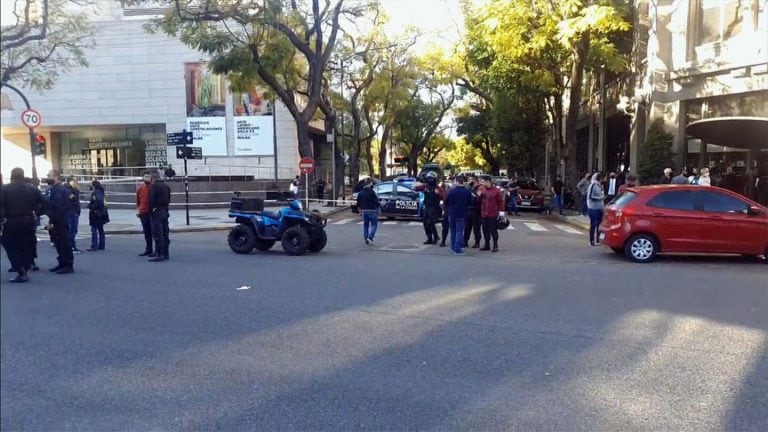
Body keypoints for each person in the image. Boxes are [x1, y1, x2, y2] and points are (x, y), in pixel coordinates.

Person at [1, 168, 46, 283]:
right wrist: (37, 213)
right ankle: (26, 266)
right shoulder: (32, 189)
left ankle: (19, 267)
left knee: (9, 244)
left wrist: (2, 219)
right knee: (27, 244)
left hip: (12, 219)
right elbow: (45, 203)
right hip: (28, 219)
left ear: (12, 176)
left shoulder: (5, 189)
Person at [45, 170, 75, 274]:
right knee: (59, 243)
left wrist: (52, 221)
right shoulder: (56, 189)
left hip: (60, 220)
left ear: (56, 177)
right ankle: (62, 262)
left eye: (49, 176)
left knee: (63, 242)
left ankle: (67, 264)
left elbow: (57, 207)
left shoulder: (58, 190)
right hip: (59, 218)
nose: (47, 177)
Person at [445, 175, 473, 255]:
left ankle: (453, 247)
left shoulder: (451, 191)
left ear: (457, 182)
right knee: (459, 231)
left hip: (452, 213)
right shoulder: (467, 192)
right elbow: (470, 202)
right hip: (462, 213)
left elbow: (446, 201)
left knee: (453, 230)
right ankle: (457, 248)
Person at [148, 170, 171, 262]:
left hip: (157, 211)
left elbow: (151, 200)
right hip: (165, 210)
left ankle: (159, 254)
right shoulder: (166, 186)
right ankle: (166, 253)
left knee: (157, 233)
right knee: (165, 232)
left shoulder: (153, 187)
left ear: (152, 178)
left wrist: (151, 210)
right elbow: (169, 199)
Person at [478, 175, 504, 252]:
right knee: (485, 230)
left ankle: (495, 245)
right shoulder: (481, 189)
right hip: (484, 213)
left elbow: (500, 202)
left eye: (482, 181)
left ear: (487, 181)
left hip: (493, 214)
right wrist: (479, 196)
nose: (481, 183)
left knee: (493, 230)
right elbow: (478, 201)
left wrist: (501, 213)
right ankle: (487, 244)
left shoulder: (496, 190)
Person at [356, 179, 379, 245]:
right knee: (374, 225)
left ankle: (366, 238)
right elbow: (376, 201)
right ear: (369, 184)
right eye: (371, 184)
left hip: (364, 211)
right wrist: (378, 208)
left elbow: (358, 203)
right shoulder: (372, 192)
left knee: (366, 225)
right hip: (372, 210)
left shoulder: (361, 193)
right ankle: (370, 237)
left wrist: (359, 210)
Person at [421, 173, 442, 245]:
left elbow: (442, 195)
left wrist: (438, 193)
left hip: (433, 208)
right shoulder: (426, 186)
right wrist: (415, 187)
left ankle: (435, 237)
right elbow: (418, 188)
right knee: (425, 223)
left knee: (430, 223)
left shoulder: (437, 188)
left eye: (431, 178)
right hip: (426, 207)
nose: (429, 180)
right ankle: (430, 238)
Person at [136, 171, 154, 256]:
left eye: (148, 177)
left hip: (151, 212)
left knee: (154, 232)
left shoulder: (153, 187)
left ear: (151, 178)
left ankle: (156, 249)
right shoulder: (140, 188)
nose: (147, 178)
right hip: (143, 212)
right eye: (145, 176)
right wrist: (138, 210)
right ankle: (148, 249)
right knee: (146, 232)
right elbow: (138, 201)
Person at [87, 181, 109, 251]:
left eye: (91, 185)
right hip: (101, 213)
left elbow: (98, 202)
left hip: (96, 213)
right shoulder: (101, 192)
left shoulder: (96, 193)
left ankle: (94, 245)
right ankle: (101, 245)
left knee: (94, 229)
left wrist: (91, 206)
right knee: (100, 229)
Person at [586, 172, 605, 247]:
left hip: (600, 207)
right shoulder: (593, 185)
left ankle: (598, 239)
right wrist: (600, 198)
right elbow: (590, 196)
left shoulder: (601, 186)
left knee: (599, 224)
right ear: (600, 178)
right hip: (593, 207)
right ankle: (591, 240)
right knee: (593, 224)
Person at [464, 175, 482, 249]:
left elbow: (479, 198)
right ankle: (465, 241)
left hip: (476, 210)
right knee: (467, 227)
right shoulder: (469, 187)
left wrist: (473, 194)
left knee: (476, 227)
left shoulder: (480, 188)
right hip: (468, 209)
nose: (469, 181)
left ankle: (477, 242)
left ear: (475, 180)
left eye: (471, 180)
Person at [65, 177, 82, 254]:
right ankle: (71, 246)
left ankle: (70, 245)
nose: (76, 182)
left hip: (73, 211)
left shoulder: (74, 190)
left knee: (72, 230)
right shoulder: (70, 190)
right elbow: (74, 200)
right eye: (74, 180)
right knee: (72, 230)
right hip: (71, 211)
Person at [438, 180, 451, 247]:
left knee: (445, 228)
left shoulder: (446, 193)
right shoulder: (448, 192)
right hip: (450, 211)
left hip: (447, 211)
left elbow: (444, 202)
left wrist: (443, 209)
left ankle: (443, 241)